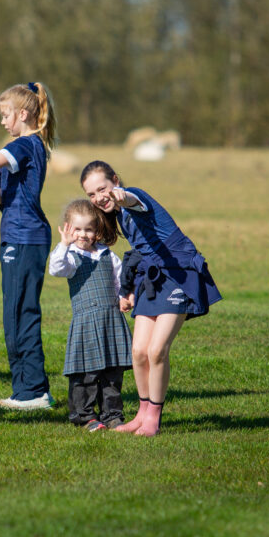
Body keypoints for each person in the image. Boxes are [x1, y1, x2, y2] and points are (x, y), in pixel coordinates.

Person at [80, 160, 221, 436]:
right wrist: (128, 289)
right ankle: (141, 415)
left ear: (116, 181)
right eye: (91, 194)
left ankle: (153, 419)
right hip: (153, 277)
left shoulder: (134, 196)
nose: (98, 198)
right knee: (138, 351)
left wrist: (124, 196)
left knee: (157, 350)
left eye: (102, 189)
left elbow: (134, 201)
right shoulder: (119, 216)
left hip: (179, 274)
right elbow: (139, 254)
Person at [0, 82, 57, 410]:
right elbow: (10, 198)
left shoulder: (24, 145)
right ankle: (24, 390)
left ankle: (34, 391)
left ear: (23, 114)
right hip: (17, 236)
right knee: (13, 314)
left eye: (6, 115)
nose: (3, 122)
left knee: (22, 312)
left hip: (25, 239)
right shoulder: (26, 147)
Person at [48, 199, 133, 432]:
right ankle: (84, 415)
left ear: (97, 231)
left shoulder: (107, 254)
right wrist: (64, 244)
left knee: (112, 373)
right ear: (67, 228)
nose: (83, 235)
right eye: (77, 229)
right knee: (86, 373)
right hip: (86, 322)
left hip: (111, 321)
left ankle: (113, 415)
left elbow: (120, 281)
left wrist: (124, 296)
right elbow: (56, 269)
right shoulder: (70, 256)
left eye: (89, 229)